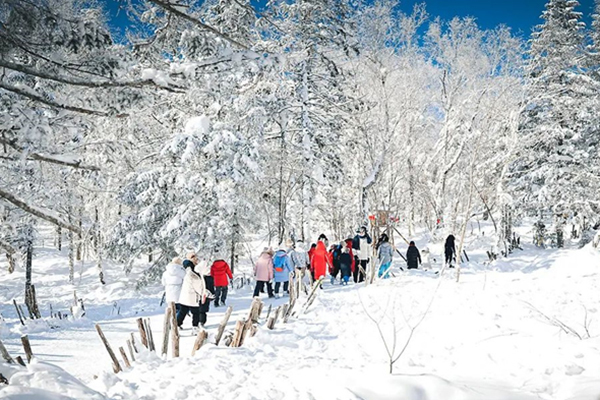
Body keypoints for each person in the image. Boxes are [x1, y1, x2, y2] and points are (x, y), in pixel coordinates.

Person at [177, 254, 207, 334]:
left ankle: (177, 324)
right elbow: (197, 286)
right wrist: (203, 293)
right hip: (192, 296)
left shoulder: (189, 270)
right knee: (195, 312)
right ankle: (194, 327)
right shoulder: (194, 274)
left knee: (183, 311)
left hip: (185, 295)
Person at [198, 260, 214, 327]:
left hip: (200, 294)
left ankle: (200, 321)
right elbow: (212, 286)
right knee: (203, 309)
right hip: (207, 295)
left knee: (200, 309)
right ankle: (202, 321)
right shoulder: (210, 276)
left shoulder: (199, 276)